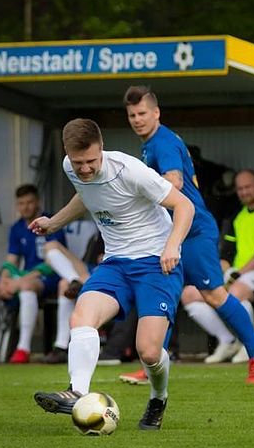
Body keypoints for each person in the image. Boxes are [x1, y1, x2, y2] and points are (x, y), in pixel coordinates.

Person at [32, 118, 194, 431]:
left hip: (156, 262)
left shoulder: (129, 170)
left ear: (102, 148)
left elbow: (184, 206)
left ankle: (158, 398)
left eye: (91, 161)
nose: (85, 168)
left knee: (149, 352)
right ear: (67, 153)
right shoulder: (70, 166)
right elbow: (86, 195)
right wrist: (54, 223)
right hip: (116, 262)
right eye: (78, 162)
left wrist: (172, 245)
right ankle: (77, 392)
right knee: (82, 316)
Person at [118, 85, 254, 385]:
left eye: (142, 113)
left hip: (194, 230)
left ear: (156, 113)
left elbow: (174, 181)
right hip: (174, 231)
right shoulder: (153, 143)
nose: (137, 119)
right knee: (165, 294)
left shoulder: (162, 143)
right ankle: (153, 367)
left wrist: (138, 192)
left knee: (214, 295)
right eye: (132, 115)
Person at [0, 184, 80, 364]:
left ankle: (23, 348)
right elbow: (11, 260)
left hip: (48, 277)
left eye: (29, 202)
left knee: (27, 286)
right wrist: (5, 278)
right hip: (22, 277)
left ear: (38, 202)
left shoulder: (51, 222)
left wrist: (20, 281)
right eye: (21, 203)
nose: (25, 207)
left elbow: (52, 262)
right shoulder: (16, 228)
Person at [202, 168, 254, 363]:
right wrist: (216, 276)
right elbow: (226, 254)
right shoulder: (237, 216)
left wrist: (235, 275)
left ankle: (249, 346)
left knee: (236, 291)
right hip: (240, 275)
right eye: (240, 189)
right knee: (192, 294)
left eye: (248, 187)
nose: (244, 192)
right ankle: (227, 341)